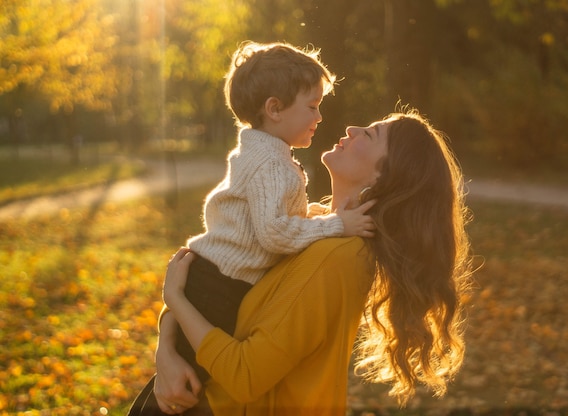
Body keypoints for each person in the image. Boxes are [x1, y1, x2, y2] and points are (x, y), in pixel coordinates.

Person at [153, 108, 474, 415]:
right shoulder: (305, 226)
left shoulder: (339, 256)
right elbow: (215, 288)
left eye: (371, 134)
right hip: (190, 393)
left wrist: (175, 299)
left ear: (382, 176)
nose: (352, 129)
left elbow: (245, 376)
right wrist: (166, 352)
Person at [126, 41, 375, 415]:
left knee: (176, 386)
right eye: (312, 106)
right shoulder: (272, 166)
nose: (320, 117)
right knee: (180, 391)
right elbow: (276, 233)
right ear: (273, 109)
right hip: (220, 287)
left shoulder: (267, 155)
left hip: (211, 281)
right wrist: (338, 224)